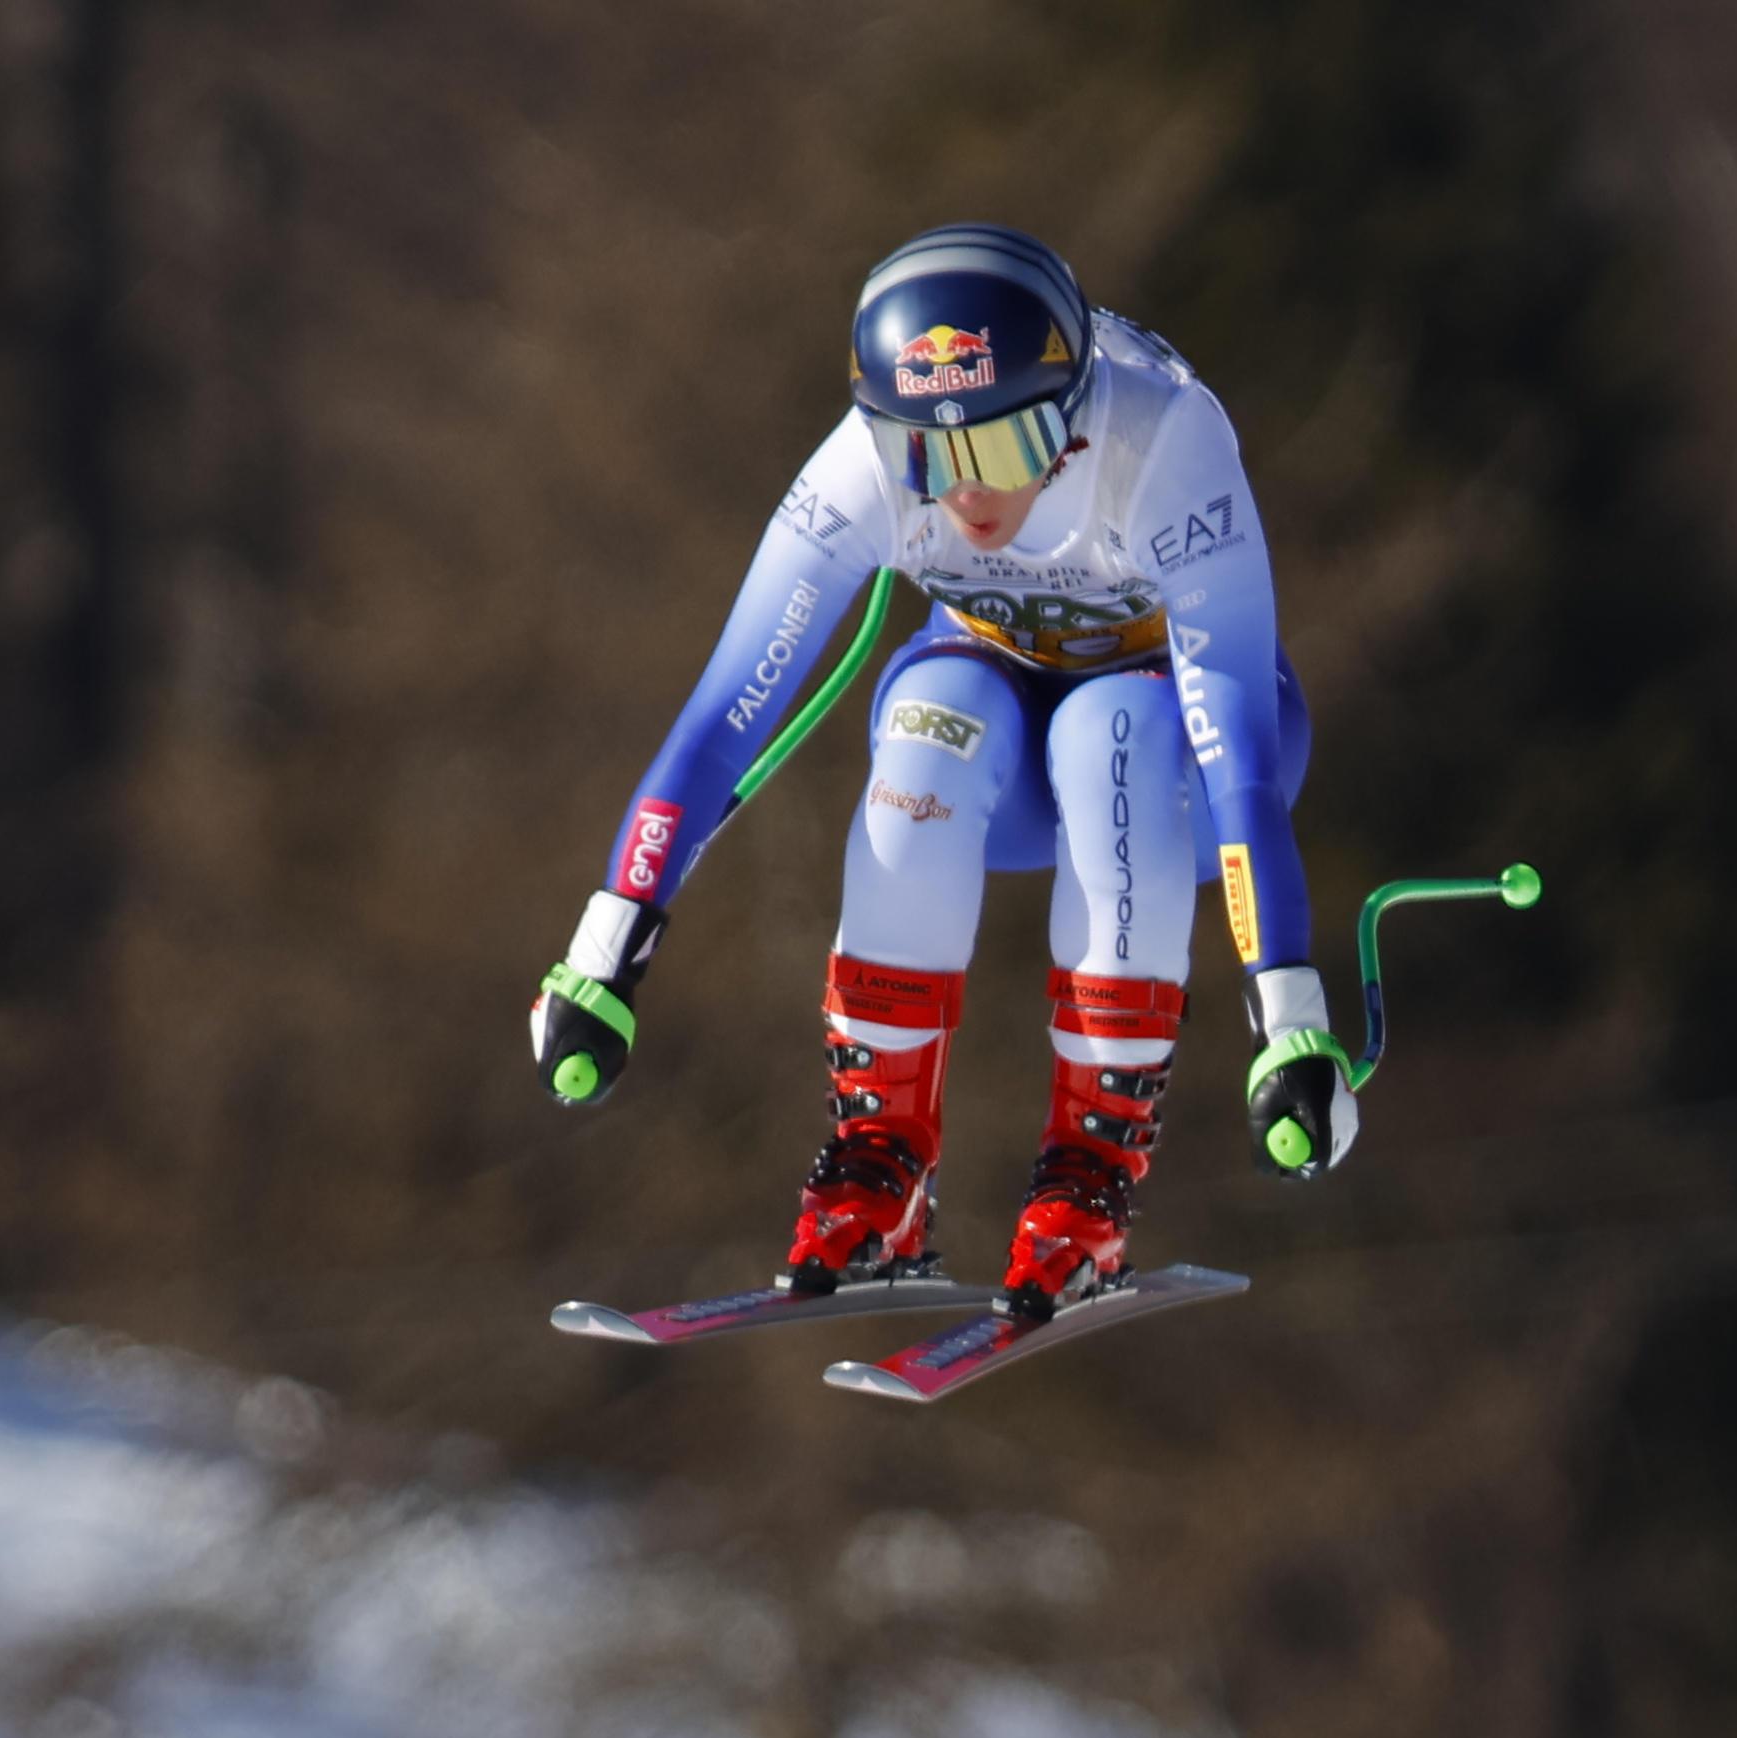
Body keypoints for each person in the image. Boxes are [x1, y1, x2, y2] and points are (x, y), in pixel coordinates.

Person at [529, 223, 1351, 1320]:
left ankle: (1088, 1176)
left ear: (1070, 416)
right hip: (999, 727)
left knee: (1109, 728)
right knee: (928, 717)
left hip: (1180, 764)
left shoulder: (1163, 445)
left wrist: (1288, 1015)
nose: (965, 495)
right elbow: (726, 715)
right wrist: (603, 957)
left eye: (1004, 451)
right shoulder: (861, 466)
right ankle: (880, 1160)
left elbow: (1237, 758)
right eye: (928, 455)